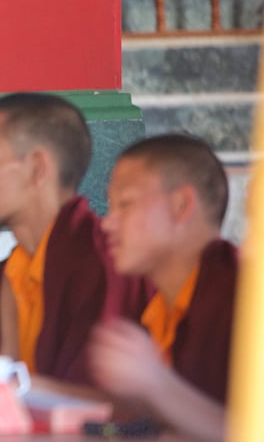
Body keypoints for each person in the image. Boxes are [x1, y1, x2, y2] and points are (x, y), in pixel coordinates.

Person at [0, 92, 144, 385]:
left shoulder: (101, 263)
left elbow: (113, 409)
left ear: (37, 169)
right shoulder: (15, 268)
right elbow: (7, 389)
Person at [88, 134, 234, 442]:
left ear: (180, 205)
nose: (106, 224)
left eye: (124, 204)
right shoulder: (159, 307)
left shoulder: (245, 298)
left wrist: (158, 384)